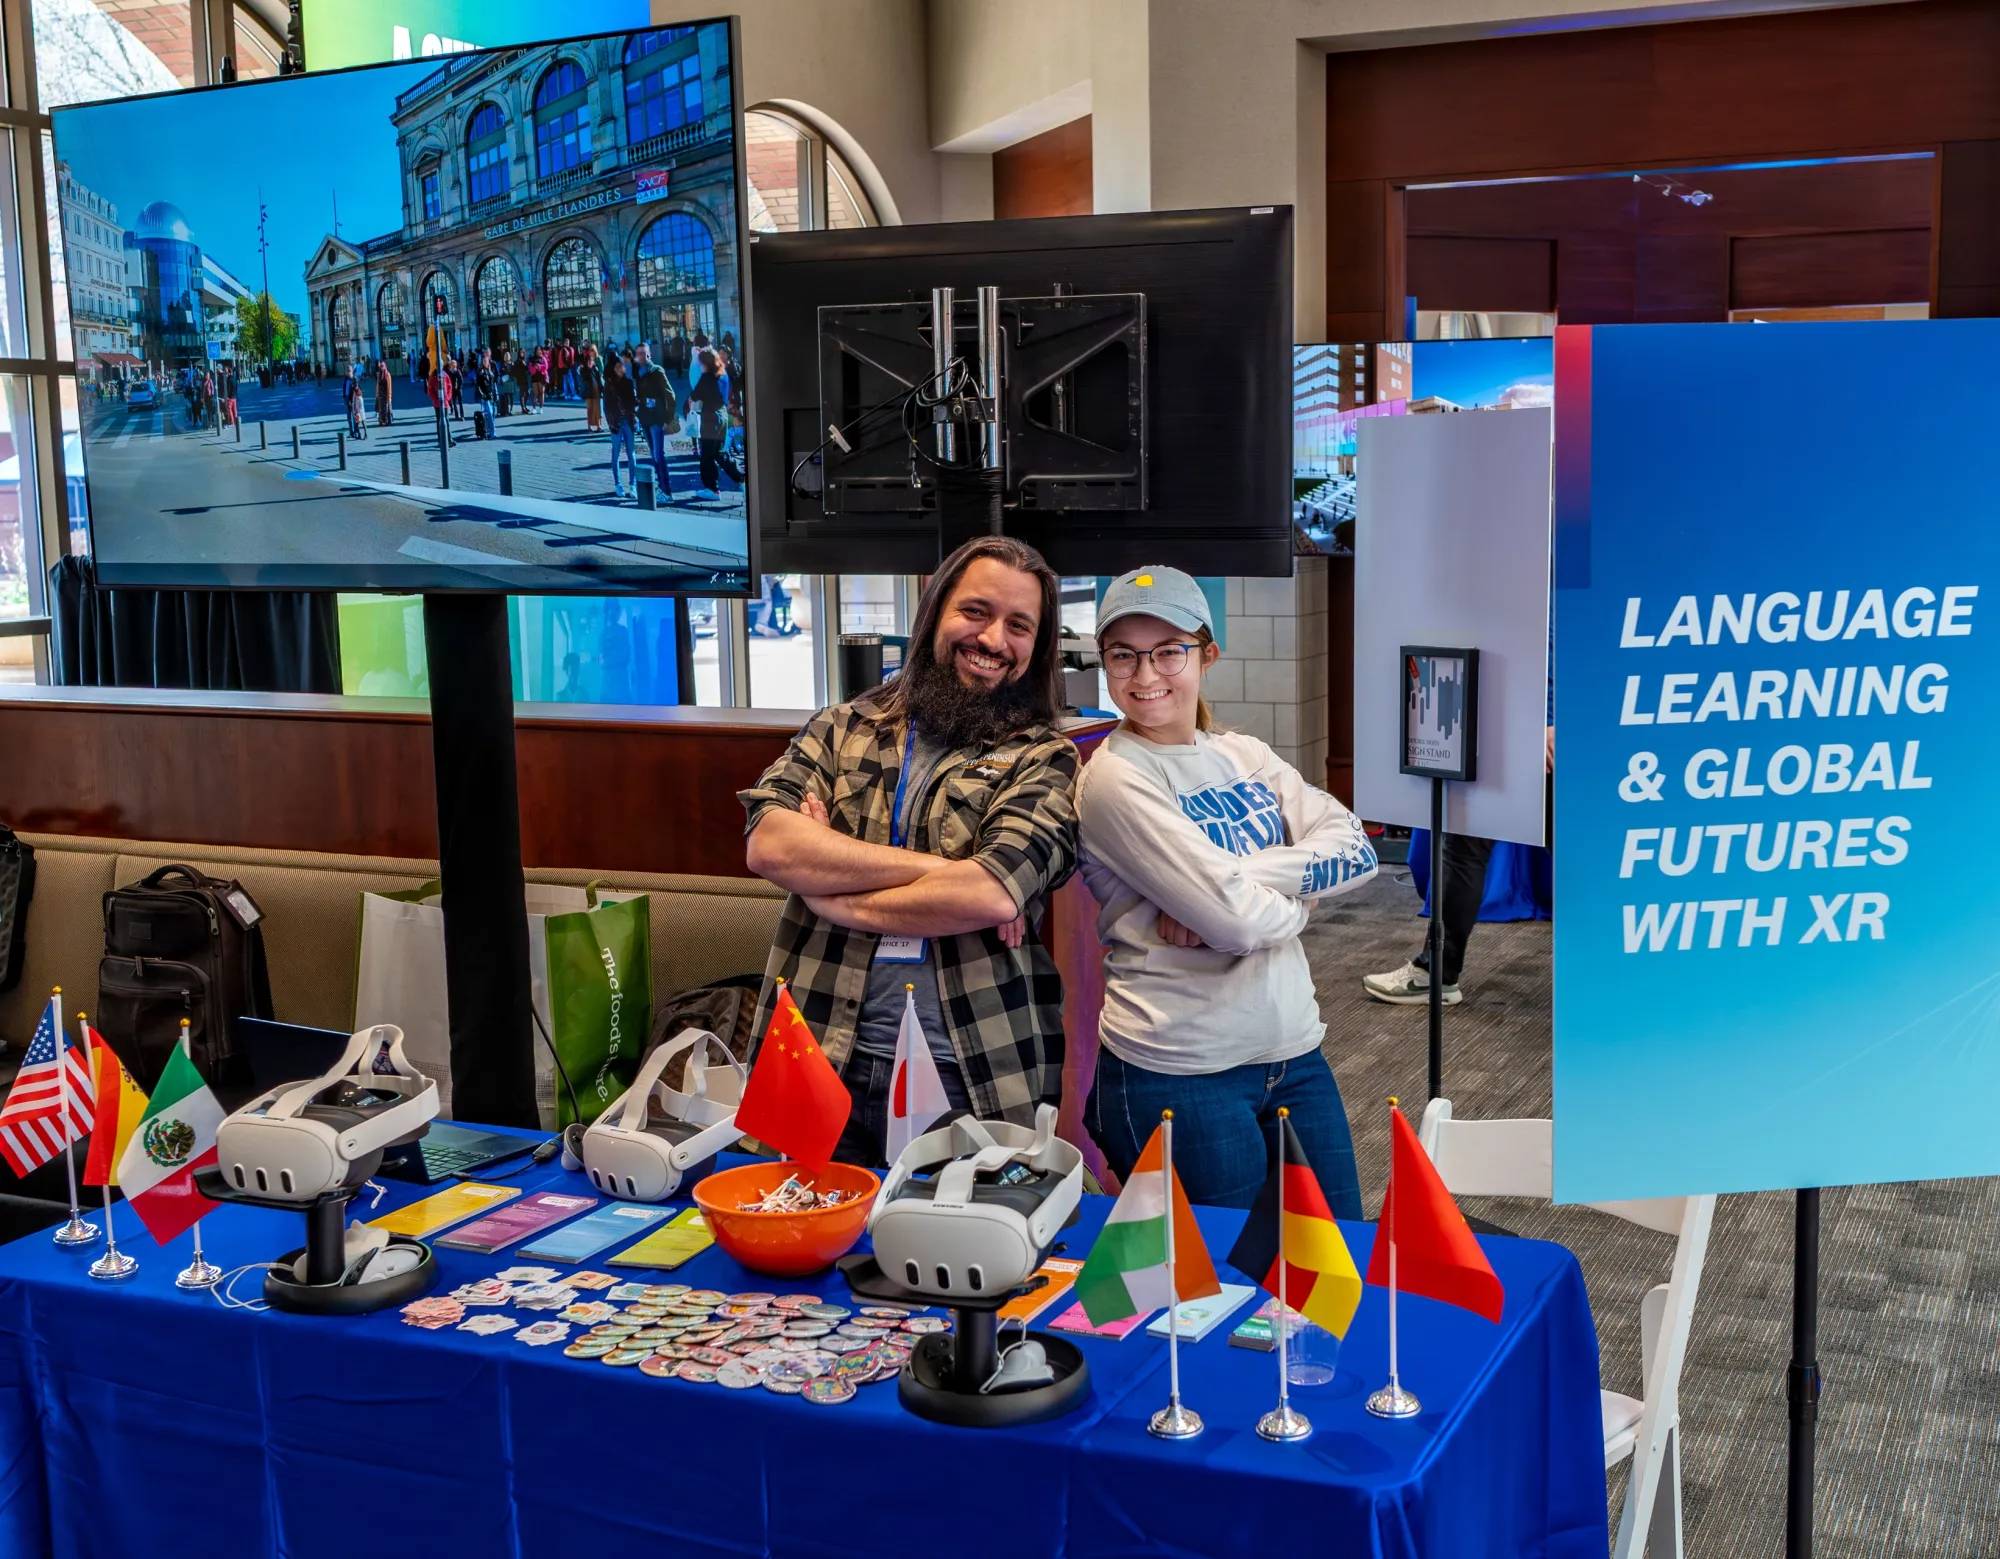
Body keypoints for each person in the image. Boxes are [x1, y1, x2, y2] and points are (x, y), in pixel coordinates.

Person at [739, 535, 1081, 1165]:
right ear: (935, 611)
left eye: (1019, 625)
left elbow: (988, 892)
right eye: (975, 612)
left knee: (957, 1253)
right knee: (791, 1241)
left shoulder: (1044, 758)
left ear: (1037, 648)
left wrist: (829, 886)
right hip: (814, 1050)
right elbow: (770, 844)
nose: (992, 640)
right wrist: (949, 876)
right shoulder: (841, 728)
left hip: (968, 1069)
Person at [1076, 566, 1379, 1213]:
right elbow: (1238, 924)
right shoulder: (1116, 778)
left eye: (1167, 651)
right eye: (1123, 654)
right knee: (1227, 1293)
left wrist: (1244, 879)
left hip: (1294, 1051)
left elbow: (1357, 850)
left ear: (1206, 655)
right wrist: (1298, 891)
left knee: (1335, 1270)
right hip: (1178, 1070)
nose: (1145, 673)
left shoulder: (1242, 753)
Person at [684, 347, 743, 496]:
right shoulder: (722, 373)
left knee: (706, 456)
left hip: (710, 418)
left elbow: (694, 395)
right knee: (719, 453)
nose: (700, 366)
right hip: (722, 416)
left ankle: (711, 488)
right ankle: (740, 479)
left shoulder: (707, 377)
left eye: (701, 363)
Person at [633, 342, 676, 500]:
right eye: (639, 354)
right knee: (653, 455)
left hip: (657, 419)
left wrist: (667, 419)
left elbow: (670, 395)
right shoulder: (638, 372)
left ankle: (667, 491)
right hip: (645, 418)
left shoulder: (657, 371)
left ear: (649, 354)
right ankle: (661, 487)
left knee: (659, 455)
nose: (641, 356)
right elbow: (640, 395)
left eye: (644, 353)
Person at [604, 351, 638, 498]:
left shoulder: (629, 382)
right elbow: (607, 406)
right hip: (616, 422)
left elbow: (634, 402)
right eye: (617, 366)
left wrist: (637, 401)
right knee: (616, 453)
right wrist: (611, 423)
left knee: (631, 453)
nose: (620, 369)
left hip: (628, 421)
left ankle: (633, 484)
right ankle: (618, 484)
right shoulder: (609, 385)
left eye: (622, 366)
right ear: (613, 368)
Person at [662, 325, 692, 404]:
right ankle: (680, 373)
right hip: (679, 354)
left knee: (677, 364)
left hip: (676, 354)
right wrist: (684, 354)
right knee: (679, 364)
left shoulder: (674, 340)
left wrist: (672, 353)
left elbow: (672, 347)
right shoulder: (680, 340)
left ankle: (679, 373)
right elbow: (683, 347)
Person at [579, 344, 604, 432]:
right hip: (588, 388)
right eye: (590, 350)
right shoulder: (584, 361)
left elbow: (601, 373)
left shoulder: (598, 360)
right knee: (589, 408)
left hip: (596, 387)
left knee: (597, 408)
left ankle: (599, 425)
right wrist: (587, 368)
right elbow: (582, 375)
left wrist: (594, 367)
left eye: (593, 350)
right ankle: (589, 426)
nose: (591, 352)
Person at [344, 365, 367, 440]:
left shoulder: (354, 379)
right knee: (349, 418)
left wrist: (352, 401)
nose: (348, 372)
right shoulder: (346, 379)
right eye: (347, 371)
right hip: (347, 399)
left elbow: (357, 391)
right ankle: (352, 432)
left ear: (352, 371)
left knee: (356, 418)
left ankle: (357, 432)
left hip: (354, 401)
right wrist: (344, 397)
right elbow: (344, 389)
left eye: (349, 371)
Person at [374, 358, 394, 428]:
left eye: (382, 366)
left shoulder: (387, 374)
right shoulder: (379, 374)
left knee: (387, 408)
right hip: (380, 395)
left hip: (386, 394)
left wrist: (389, 397)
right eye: (380, 366)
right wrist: (376, 394)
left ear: (385, 366)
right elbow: (377, 384)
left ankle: (387, 421)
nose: (381, 367)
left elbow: (389, 386)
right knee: (380, 409)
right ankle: (381, 421)